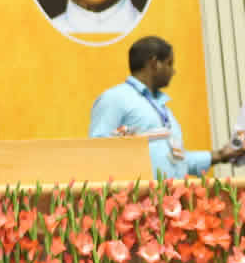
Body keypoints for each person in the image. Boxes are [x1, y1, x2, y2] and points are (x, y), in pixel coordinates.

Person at [88, 36, 241, 178]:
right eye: (169, 63)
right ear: (154, 63)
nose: (173, 71)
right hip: (137, 197)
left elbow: (178, 161)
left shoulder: (162, 108)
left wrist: (221, 155)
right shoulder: (114, 98)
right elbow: (98, 153)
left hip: (171, 196)